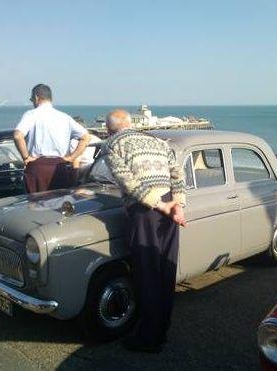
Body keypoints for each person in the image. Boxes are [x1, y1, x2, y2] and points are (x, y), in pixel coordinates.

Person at [102, 109, 186, 353]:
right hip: (170, 207)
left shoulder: (112, 145)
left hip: (145, 210)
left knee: (146, 273)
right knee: (166, 270)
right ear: (130, 123)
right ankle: (161, 329)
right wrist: (177, 205)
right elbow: (177, 173)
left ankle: (150, 337)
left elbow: (127, 181)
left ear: (109, 129)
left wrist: (160, 205)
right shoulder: (156, 141)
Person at [14, 84, 90, 193]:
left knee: (35, 206)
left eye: (32, 99)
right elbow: (86, 137)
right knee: (60, 206)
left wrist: (26, 157)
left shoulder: (32, 114)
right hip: (60, 167)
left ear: (36, 97)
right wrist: (72, 157)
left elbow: (17, 135)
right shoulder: (64, 117)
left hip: (37, 167)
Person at [69, 116, 102, 181]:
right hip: (94, 167)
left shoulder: (75, 141)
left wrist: (74, 181)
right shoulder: (96, 139)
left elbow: (76, 161)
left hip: (81, 169)